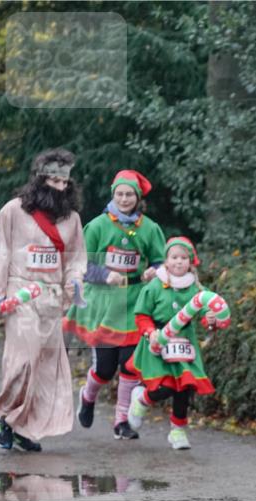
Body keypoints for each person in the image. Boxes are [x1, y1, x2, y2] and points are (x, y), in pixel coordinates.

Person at [0, 148, 87, 452]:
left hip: (52, 300)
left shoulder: (72, 219)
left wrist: (74, 284)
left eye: (63, 181)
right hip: (20, 295)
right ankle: (3, 418)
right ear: (40, 179)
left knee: (45, 368)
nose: (58, 185)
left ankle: (26, 428)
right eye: (52, 178)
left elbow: (76, 258)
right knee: (22, 361)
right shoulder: (13, 211)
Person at [64, 170, 166, 439]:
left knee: (131, 365)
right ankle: (87, 397)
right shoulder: (97, 226)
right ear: (113, 195)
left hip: (135, 300)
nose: (124, 199)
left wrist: (155, 271)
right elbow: (81, 265)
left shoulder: (150, 228)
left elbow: (161, 260)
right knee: (105, 368)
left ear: (138, 197)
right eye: (119, 194)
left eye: (129, 194)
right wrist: (106, 275)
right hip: (105, 301)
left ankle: (122, 421)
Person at [125, 237, 218, 450]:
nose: (179, 262)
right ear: (166, 261)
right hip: (157, 340)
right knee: (164, 386)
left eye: (184, 258)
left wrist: (210, 319)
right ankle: (142, 400)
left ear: (190, 262)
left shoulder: (195, 289)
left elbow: (205, 314)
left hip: (184, 340)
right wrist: (151, 333)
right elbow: (141, 315)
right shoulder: (155, 286)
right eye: (174, 257)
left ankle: (178, 431)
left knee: (184, 387)